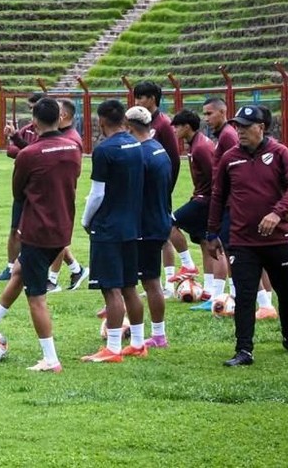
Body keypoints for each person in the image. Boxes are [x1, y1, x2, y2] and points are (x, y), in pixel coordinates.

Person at [0, 98, 80, 373]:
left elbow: (19, 191)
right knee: (20, 270)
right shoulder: (73, 148)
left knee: (36, 297)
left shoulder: (30, 154)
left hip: (38, 229)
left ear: (36, 120)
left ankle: (51, 359)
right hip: (62, 226)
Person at [208, 106, 288, 366]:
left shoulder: (280, 153)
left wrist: (277, 213)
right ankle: (244, 350)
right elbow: (218, 197)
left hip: (278, 239)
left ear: (261, 127)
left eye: (245, 125)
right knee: (245, 295)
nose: (239, 130)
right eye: (237, 125)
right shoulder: (230, 158)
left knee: (287, 293)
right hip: (242, 241)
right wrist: (212, 232)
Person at [81, 99, 144, 363]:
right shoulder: (135, 145)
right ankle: (139, 343)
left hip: (108, 226)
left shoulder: (104, 150)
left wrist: (86, 221)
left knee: (112, 289)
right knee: (130, 286)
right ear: (124, 121)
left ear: (101, 120)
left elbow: (97, 194)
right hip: (131, 224)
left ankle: (114, 348)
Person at [125, 107, 172, 353]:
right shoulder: (159, 149)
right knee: (149, 279)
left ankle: (154, 335)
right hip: (159, 220)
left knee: (149, 281)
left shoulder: (141, 154)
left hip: (146, 225)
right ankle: (154, 332)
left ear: (130, 127)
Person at [132, 81, 183, 297]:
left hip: (160, 190)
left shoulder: (163, 124)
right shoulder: (142, 123)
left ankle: (170, 283)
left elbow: (174, 159)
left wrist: (166, 189)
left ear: (152, 99)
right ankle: (157, 281)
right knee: (153, 237)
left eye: (141, 97)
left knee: (164, 234)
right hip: (145, 192)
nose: (137, 102)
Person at [168, 109, 223, 308]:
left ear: (187, 127)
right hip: (203, 197)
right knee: (204, 242)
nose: (174, 130)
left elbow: (215, 176)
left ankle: (188, 265)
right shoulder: (196, 144)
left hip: (205, 200)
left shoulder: (200, 147)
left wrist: (213, 201)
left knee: (169, 223)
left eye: (177, 126)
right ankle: (208, 291)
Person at [0, 91, 46, 282]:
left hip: (40, 190)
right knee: (15, 229)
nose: (32, 113)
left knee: (44, 233)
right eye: (30, 109)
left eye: (34, 109)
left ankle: (61, 272)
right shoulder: (28, 129)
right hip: (22, 189)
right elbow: (12, 151)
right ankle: (10, 268)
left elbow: (34, 154)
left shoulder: (48, 133)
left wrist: (19, 143)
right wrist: (19, 142)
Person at [45, 98, 88, 291]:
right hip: (54, 190)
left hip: (62, 192)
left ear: (63, 115)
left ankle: (52, 280)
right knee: (55, 234)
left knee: (57, 236)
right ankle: (76, 269)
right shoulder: (62, 135)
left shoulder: (71, 139)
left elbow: (74, 171)